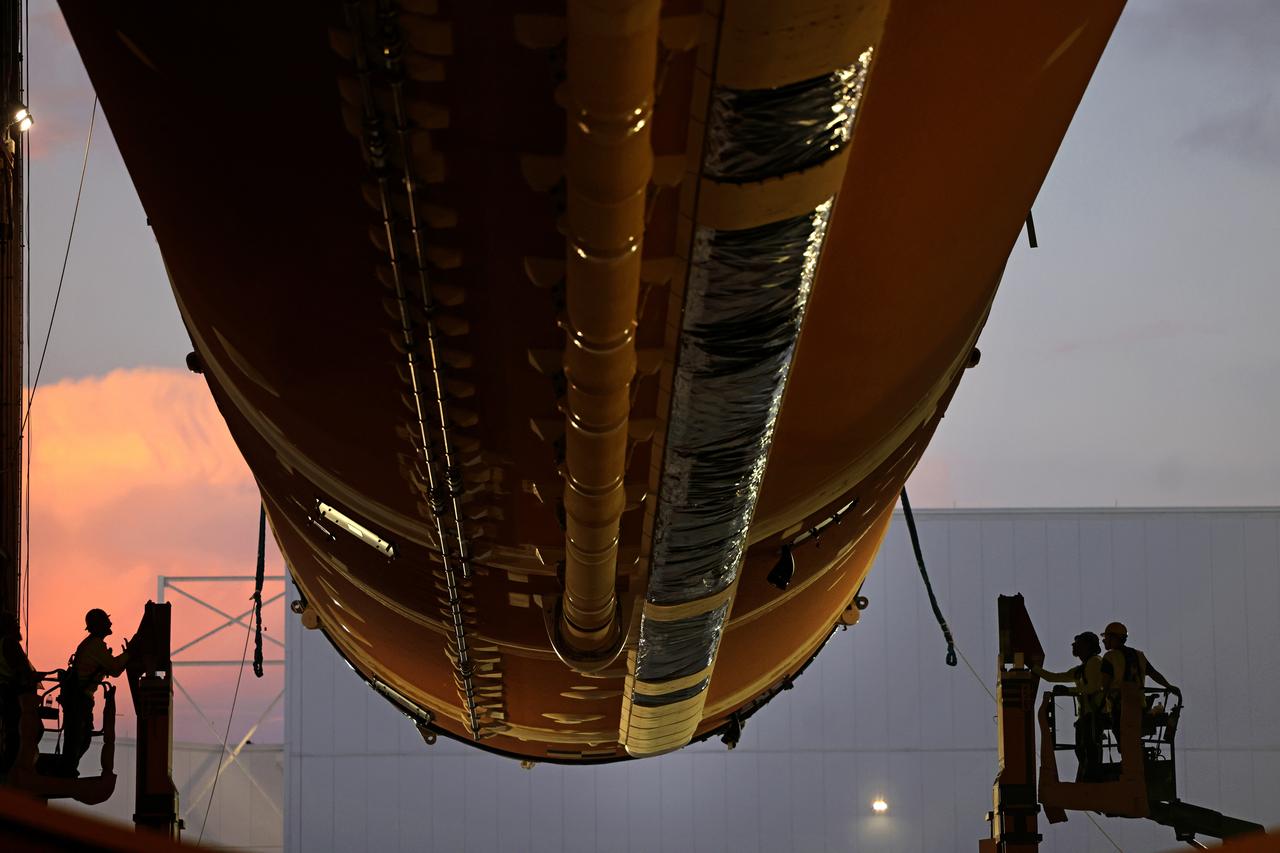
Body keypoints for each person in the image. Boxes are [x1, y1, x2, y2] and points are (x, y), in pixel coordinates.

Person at [59, 608, 129, 776]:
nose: (110, 623)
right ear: (98, 625)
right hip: (79, 699)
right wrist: (129, 654)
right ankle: (67, 773)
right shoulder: (95, 645)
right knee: (78, 739)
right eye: (106, 621)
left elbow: (112, 669)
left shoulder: (91, 644)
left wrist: (123, 658)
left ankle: (68, 771)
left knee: (80, 738)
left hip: (79, 698)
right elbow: (115, 668)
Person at [1033, 631, 1107, 781]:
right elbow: (1054, 677)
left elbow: (1093, 687)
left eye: (1078, 643)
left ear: (1087, 646)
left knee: (1090, 746)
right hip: (1086, 716)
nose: (1073, 645)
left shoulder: (1095, 663)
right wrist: (1034, 667)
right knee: (1081, 748)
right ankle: (1088, 775)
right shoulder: (1082, 669)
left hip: (1095, 715)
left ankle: (1093, 776)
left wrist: (1068, 690)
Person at [1099, 621, 1180, 743]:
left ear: (1113, 638)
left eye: (1106, 637)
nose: (1104, 640)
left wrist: (1099, 706)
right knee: (1133, 740)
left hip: (1120, 707)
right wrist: (1168, 686)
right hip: (1139, 706)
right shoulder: (1138, 655)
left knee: (1123, 740)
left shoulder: (1110, 657)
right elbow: (1154, 673)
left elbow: (1104, 685)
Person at [0, 612, 37, 776]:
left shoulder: (4, 643)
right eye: (14, 623)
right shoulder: (9, 643)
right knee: (20, 732)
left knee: (14, 731)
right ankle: (15, 768)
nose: (18, 626)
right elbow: (19, 670)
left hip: (8, 693)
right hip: (14, 695)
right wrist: (30, 678)